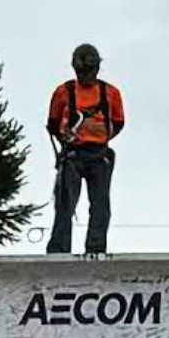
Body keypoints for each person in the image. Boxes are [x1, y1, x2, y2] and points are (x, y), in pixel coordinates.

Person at [45, 43, 127, 255]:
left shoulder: (111, 93)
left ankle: (96, 249)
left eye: (89, 71)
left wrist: (98, 137)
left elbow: (117, 122)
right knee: (65, 204)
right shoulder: (64, 92)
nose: (86, 76)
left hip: (99, 154)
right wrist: (67, 140)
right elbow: (53, 123)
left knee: (100, 205)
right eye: (81, 71)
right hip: (73, 154)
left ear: (97, 69)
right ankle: (59, 251)